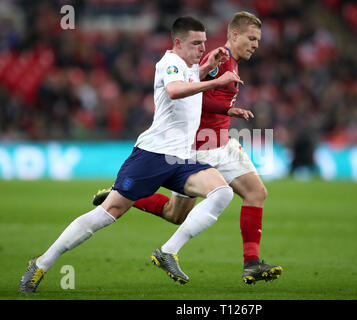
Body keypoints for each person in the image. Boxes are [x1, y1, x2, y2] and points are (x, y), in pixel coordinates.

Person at [20, 16, 243, 292]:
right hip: (152, 155)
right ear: (178, 42)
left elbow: (188, 81)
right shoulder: (170, 62)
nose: (202, 48)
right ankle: (41, 263)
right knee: (107, 213)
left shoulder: (188, 66)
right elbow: (175, 91)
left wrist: (208, 67)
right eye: (196, 43)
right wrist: (216, 81)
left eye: (204, 42)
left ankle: (167, 251)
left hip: (182, 158)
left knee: (220, 193)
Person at [93, 12, 282, 285]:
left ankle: (251, 263)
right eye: (251, 38)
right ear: (235, 35)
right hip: (199, 146)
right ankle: (122, 194)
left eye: (258, 40)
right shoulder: (217, 62)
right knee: (175, 214)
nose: (255, 44)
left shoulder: (233, 63)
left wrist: (227, 114)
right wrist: (229, 108)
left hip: (222, 143)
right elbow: (195, 95)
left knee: (256, 192)